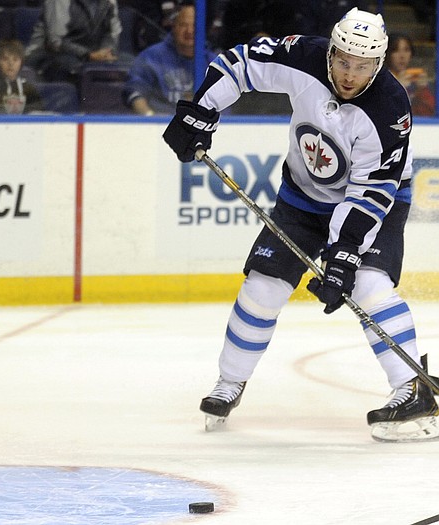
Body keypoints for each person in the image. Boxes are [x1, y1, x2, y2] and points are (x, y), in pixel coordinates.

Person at [163, 8, 436, 442]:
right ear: (331, 50)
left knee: (367, 282)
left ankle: (412, 388)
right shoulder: (304, 57)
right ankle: (229, 383)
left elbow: (371, 192)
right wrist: (199, 110)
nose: (349, 74)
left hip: (374, 206)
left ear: (379, 65)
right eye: (343, 61)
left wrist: (344, 255)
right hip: (303, 198)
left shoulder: (389, 107)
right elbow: (240, 63)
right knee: (263, 285)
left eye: (362, 67)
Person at [123, 2, 204, 116]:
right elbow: (135, 92)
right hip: (158, 127)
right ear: (174, 26)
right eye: (183, 25)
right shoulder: (150, 57)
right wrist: (150, 118)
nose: (189, 31)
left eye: (194, 25)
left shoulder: (212, 61)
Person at [24, 0, 122, 84]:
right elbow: (55, 41)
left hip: (94, 54)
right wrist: (88, 55)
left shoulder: (109, 1)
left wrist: (106, 53)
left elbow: (112, 33)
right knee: (73, 70)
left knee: (127, 66)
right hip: (50, 54)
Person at [0, 39, 44, 115]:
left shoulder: (29, 89)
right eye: (5, 59)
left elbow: (37, 114)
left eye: (15, 59)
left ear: (21, 62)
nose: (11, 64)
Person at [385, 33, 436, 117]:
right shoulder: (379, 81)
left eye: (406, 50)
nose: (402, 56)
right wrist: (397, 88)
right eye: (395, 50)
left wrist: (422, 91)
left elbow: (428, 114)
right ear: (388, 54)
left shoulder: (416, 81)